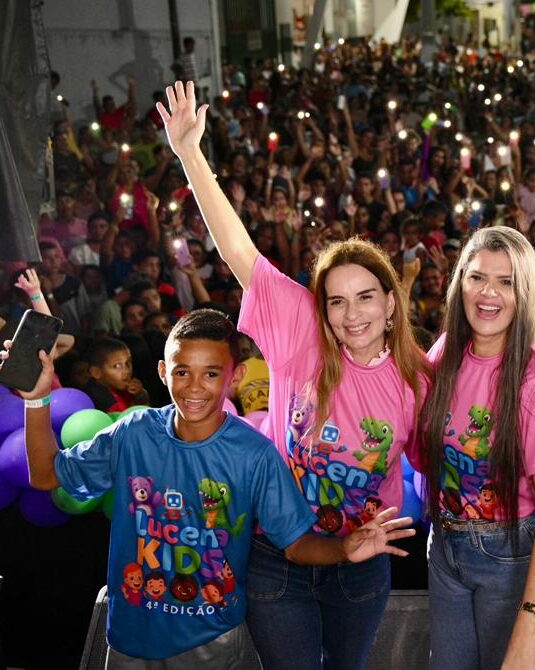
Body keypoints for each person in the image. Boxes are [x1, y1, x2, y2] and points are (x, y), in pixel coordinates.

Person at [159, 80, 429, 670]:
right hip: (276, 556)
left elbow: (451, 459)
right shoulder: (299, 336)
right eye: (336, 300)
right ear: (321, 308)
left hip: (361, 561)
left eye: (365, 298)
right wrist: (190, 154)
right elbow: (238, 251)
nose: (351, 314)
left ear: (391, 303)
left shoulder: (418, 380)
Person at [14, 309, 415, 668]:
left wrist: (344, 549)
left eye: (211, 373)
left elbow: (294, 543)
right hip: (129, 640)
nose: (194, 387)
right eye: (182, 370)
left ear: (235, 376)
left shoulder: (255, 455)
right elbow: (47, 476)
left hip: (213, 643)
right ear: (161, 371)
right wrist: (36, 401)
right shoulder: (132, 434)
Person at [417, 226, 535, 670]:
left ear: (524, 292)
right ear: (459, 283)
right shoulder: (446, 351)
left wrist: (530, 622)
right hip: (446, 547)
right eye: (477, 277)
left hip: (514, 556)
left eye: (506, 282)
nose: (489, 293)